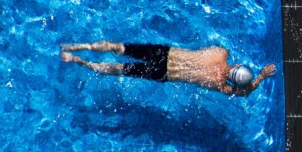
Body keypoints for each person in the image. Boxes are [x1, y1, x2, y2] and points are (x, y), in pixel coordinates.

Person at [60, 41, 276, 96]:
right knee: (119, 69)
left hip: (164, 53)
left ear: (237, 65)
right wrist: (261, 77)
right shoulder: (220, 85)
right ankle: (79, 61)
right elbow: (245, 93)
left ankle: (79, 46)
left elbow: (215, 49)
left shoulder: (221, 53)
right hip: (164, 74)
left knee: (120, 48)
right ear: (233, 81)